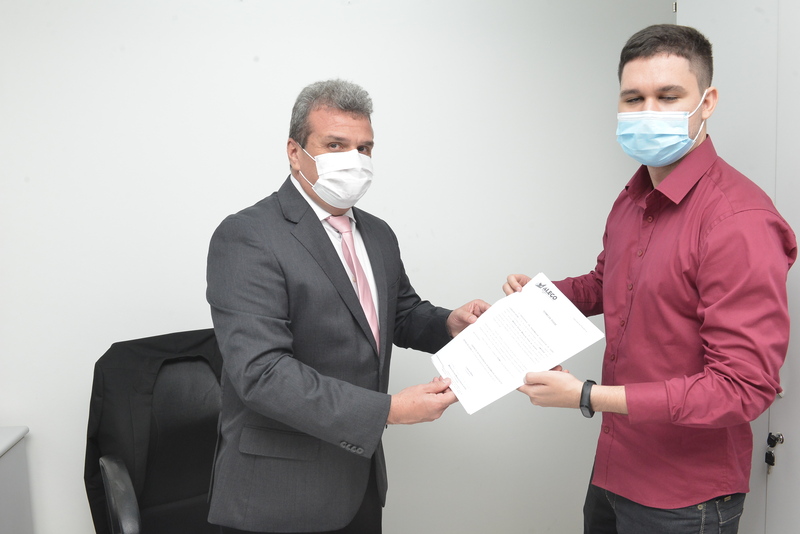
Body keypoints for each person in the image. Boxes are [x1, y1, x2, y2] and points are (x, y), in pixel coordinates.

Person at [503, 24, 796, 534]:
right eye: (634, 98)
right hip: (615, 468)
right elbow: (607, 282)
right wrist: (538, 299)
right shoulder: (633, 196)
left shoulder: (738, 221)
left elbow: (742, 388)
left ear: (707, 103)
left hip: (686, 498)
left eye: (668, 96)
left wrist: (588, 395)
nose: (648, 112)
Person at [206, 78, 489, 534]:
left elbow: (398, 313)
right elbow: (262, 374)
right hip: (278, 496)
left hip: (359, 482)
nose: (353, 161)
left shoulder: (377, 233)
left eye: (364, 148)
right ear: (295, 152)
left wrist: (449, 324)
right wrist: (388, 411)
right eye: (335, 145)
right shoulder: (248, 236)